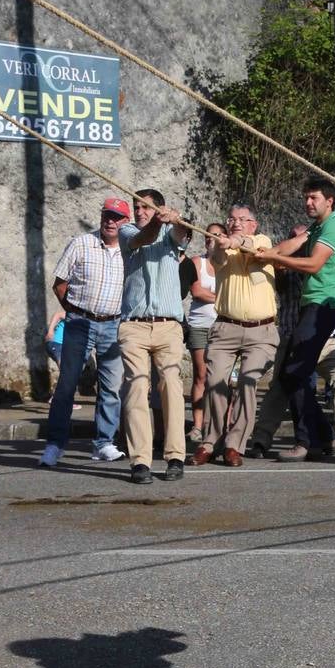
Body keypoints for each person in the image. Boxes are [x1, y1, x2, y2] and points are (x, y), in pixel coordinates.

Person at [255, 178, 335, 461]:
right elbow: (294, 243)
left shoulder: (334, 227)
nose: (308, 202)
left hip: (322, 307)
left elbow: (313, 264)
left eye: (314, 198)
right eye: (306, 198)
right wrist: (269, 253)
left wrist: (277, 260)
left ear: (329, 201)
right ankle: (322, 435)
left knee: (294, 372)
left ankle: (307, 440)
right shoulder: (319, 227)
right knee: (293, 373)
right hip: (312, 307)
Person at [39, 197, 129, 468]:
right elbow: (59, 284)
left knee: (111, 387)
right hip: (80, 322)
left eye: (117, 217)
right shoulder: (81, 243)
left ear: (126, 222)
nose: (110, 221)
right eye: (107, 215)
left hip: (114, 324)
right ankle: (54, 445)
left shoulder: (130, 250)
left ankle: (103, 443)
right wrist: (74, 311)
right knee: (67, 385)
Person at [115, 190, 190, 484]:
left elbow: (184, 234)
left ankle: (175, 457)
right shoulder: (128, 231)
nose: (139, 212)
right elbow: (144, 238)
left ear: (158, 208)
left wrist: (178, 219)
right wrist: (159, 221)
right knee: (136, 386)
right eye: (137, 207)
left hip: (169, 325)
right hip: (133, 325)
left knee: (171, 384)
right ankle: (140, 461)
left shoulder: (172, 233)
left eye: (146, 207)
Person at [199, 205, 279, 466]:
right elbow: (218, 257)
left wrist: (235, 239)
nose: (236, 223)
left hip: (261, 331)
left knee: (247, 381)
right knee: (215, 383)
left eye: (242, 220)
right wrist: (223, 244)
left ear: (253, 224)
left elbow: (254, 246)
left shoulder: (263, 241)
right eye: (231, 219)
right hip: (225, 330)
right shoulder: (219, 249)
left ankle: (235, 445)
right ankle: (210, 441)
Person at [184, 222, 224, 446]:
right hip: (200, 325)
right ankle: (197, 426)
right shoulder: (196, 262)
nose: (212, 239)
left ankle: (218, 425)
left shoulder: (229, 262)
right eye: (209, 236)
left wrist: (214, 294)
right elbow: (198, 291)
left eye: (217, 235)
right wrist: (223, 297)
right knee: (201, 375)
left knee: (221, 378)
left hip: (224, 326)